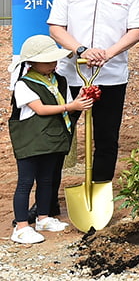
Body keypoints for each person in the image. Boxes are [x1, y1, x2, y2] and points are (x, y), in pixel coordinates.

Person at [47, 0, 139, 184]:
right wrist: (81, 50)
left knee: (106, 139)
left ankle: (100, 191)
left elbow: (136, 30)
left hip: (111, 78)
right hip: (70, 75)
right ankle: (46, 201)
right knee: (59, 137)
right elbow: (56, 27)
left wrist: (107, 54)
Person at [8, 35, 94, 244]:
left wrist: (80, 100)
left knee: (47, 180)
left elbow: (70, 103)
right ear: (32, 63)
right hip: (31, 140)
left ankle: (43, 217)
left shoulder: (60, 80)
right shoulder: (24, 84)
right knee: (26, 182)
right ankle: (21, 227)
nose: (52, 65)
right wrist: (70, 107)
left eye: (54, 60)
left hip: (52, 139)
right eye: (47, 61)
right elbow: (40, 108)